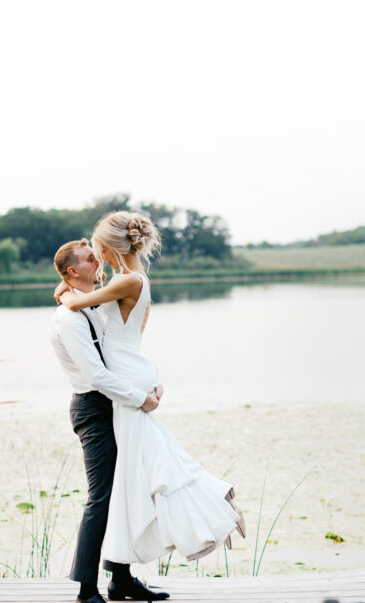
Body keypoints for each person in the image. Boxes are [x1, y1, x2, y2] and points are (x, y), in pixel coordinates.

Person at [54, 210, 245, 573]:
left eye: (99, 251)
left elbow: (78, 303)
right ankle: (120, 574)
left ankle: (212, 506)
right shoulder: (128, 279)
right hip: (128, 379)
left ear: (112, 247)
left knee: (145, 473)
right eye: (92, 256)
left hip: (127, 382)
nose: (98, 258)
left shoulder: (127, 280)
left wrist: (63, 291)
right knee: (142, 474)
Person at [50, 238, 170, 603]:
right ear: (73, 271)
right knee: (99, 498)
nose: (98, 260)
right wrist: (141, 398)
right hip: (94, 410)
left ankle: (120, 577)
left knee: (126, 490)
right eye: (89, 259)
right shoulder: (69, 318)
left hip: (116, 405)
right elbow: (96, 375)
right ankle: (86, 594)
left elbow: (121, 351)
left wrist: (149, 382)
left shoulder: (92, 305)